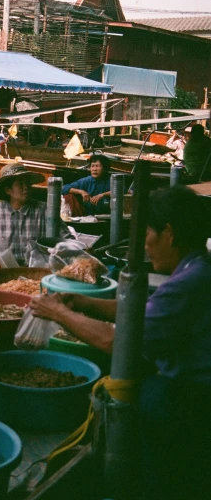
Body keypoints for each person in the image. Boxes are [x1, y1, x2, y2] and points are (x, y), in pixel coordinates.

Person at [29, 185, 211, 500]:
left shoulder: (190, 282)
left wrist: (58, 312)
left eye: (148, 234)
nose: (145, 244)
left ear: (169, 233)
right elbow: (145, 310)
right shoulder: (198, 267)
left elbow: (116, 341)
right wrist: (85, 304)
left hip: (190, 402)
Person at [0, 163, 71, 267]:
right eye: (20, 184)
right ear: (8, 190)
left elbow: (67, 238)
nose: (25, 187)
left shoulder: (44, 210)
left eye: (27, 183)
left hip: (36, 271)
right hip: (4, 271)